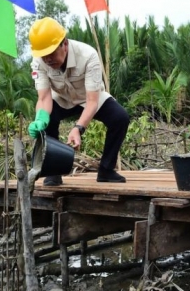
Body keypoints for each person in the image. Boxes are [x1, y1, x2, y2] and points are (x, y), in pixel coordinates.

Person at [27, 17, 130, 186]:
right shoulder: (39, 62)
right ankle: (53, 172)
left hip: (90, 97)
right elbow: (44, 98)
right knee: (48, 117)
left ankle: (106, 169)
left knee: (120, 118)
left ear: (64, 44)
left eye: (51, 53)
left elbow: (92, 102)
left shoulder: (88, 55)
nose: (48, 59)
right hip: (62, 97)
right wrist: (40, 118)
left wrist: (78, 128)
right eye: (43, 56)